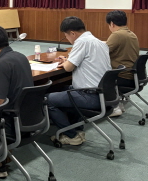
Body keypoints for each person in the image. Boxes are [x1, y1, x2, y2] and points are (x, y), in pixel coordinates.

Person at [47, 16, 111, 146]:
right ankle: (78, 130)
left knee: (47, 100)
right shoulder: (98, 42)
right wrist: (68, 60)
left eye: (66, 36)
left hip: (90, 96)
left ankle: (71, 135)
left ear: (72, 33)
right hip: (104, 94)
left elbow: (69, 68)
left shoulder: (81, 42)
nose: (68, 39)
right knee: (62, 89)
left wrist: (66, 62)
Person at [0, 25, 33, 178]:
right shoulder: (20, 56)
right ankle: (3, 155)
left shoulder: (1, 64)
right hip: (29, 116)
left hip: (11, 123)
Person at [105, 10, 140, 117]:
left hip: (122, 77)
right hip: (132, 76)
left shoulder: (117, 35)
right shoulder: (131, 34)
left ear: (112, 23)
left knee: (95, 75)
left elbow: (102, 52)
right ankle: (117, 102)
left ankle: (114, 106)